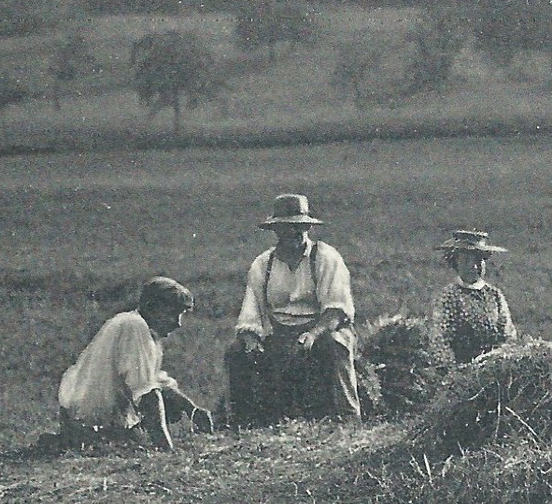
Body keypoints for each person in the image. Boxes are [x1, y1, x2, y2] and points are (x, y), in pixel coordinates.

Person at [225, 193, 365, 426]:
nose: (294, 234)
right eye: (287, 228)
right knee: (236, 353)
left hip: (323, 329)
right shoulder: (263, 264)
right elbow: (251, 312)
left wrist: (313, 334)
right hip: (281, 333)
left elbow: (336, 309)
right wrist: (250, 338)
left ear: (308, 227)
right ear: (276, 231)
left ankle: (348, 418)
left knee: (334, 346)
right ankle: (243, 423)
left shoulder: (325, 257)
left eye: (300, 227)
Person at [57, 276, 213, 451]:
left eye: (180, 315)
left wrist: (192, 409)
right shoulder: (134, 326)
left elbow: (158, 381)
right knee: (156, 402)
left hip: (82, 421)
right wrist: (166, 450)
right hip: (87, 428)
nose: (177, 323)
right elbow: (147, 393)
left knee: (169, 401)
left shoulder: (141, 328)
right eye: (171, 314)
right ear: (151, 308)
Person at [429, 229, 517, 364]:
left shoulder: (495, 295)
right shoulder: (448, 297)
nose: (474, 266)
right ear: (455, 263)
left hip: (493, 367)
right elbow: (439, 340)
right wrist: (456, 371)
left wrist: (496, 359)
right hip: (461, 370)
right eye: (466, 261)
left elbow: (508, 337)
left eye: (478, 260)